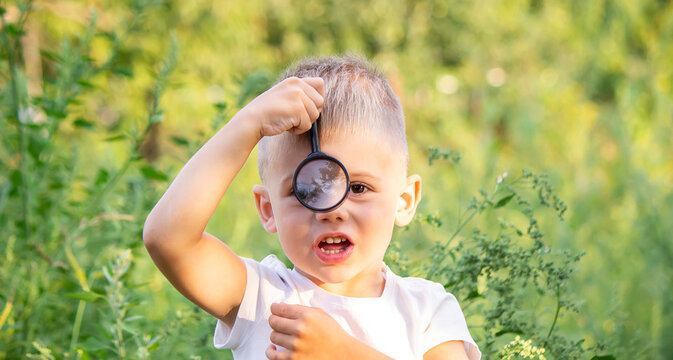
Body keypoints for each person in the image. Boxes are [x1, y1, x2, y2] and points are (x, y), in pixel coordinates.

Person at [143, 55, 481, 360]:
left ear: (404, 201)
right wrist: (248, 123)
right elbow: (168, 238)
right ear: (268, 209)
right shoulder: (262, 300)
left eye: (359, 187)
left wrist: (342, 353)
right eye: (305, 190)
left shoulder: (428, 312)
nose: (331, 210)